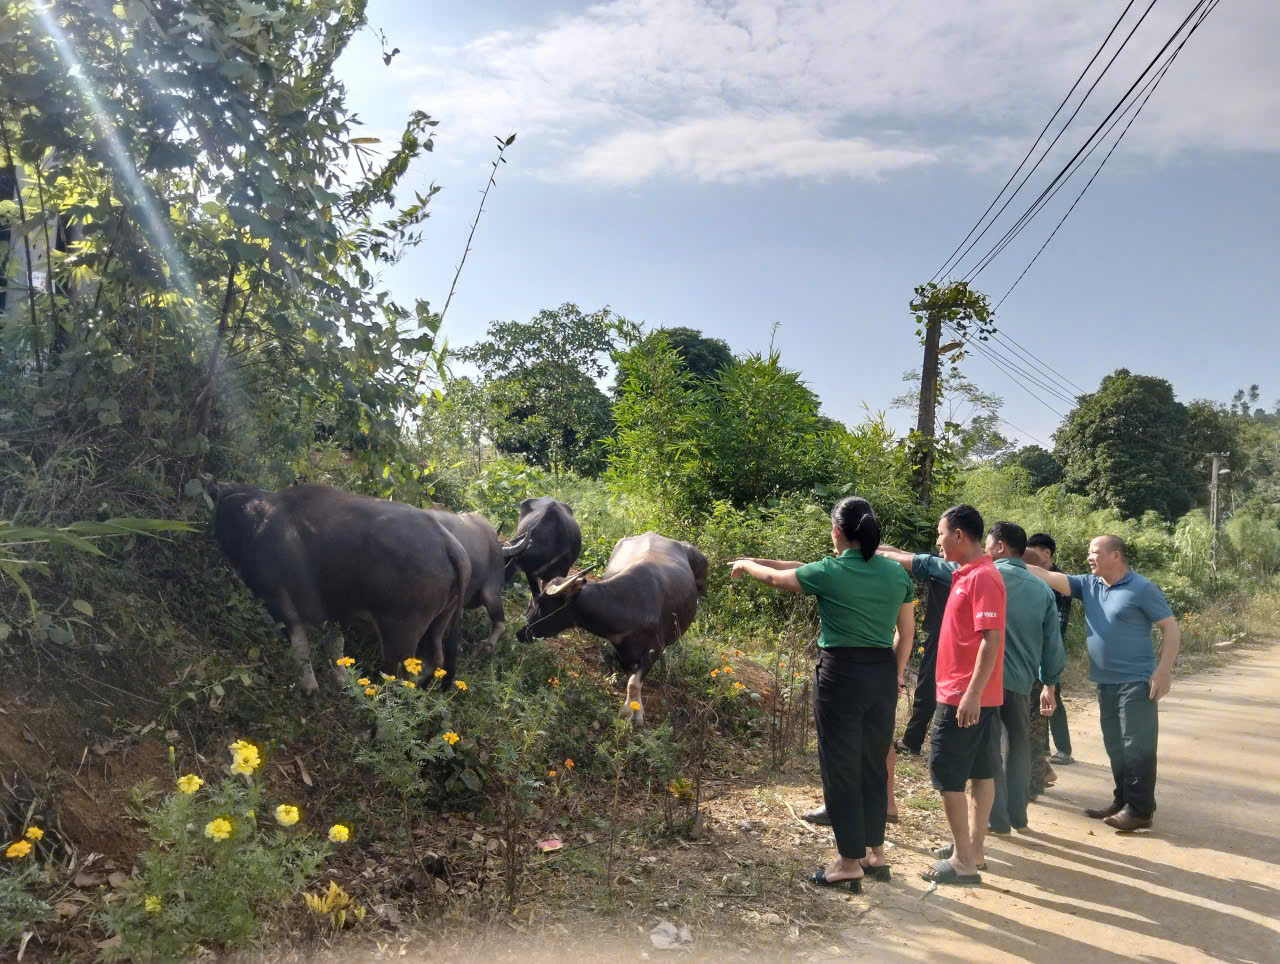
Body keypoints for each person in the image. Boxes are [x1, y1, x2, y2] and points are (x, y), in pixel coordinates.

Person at [730, 497, 914, 891]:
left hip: (841, 675)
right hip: (882, 672)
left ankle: (848, 862)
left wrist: (746, 565)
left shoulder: (831, 571)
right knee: (872, 763)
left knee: (841, 764)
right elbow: (907, 633)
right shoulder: (894, 573)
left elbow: (777, 580)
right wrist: (895, 676)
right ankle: (874, 853)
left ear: (836, 532)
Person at [1028, 535, 1181, 832]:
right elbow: (1046, 575)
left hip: (1136, 680)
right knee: (1115, 745)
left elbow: (1170, 628)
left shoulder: (1141, 588)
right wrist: (1004, 557)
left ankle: (1139, 810)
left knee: (1137, 746)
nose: (1089, 557)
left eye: (1095, 552)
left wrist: (1164, 670)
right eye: (1089, 552)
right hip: (1106, 682)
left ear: (1115, 555)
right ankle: (1124, 800)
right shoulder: (1089, 585)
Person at [918, 504, 1004, 886]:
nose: (937, 540)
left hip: (963, 697)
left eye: (941, 533)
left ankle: (964, 863)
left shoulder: (983, 577)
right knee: (981, 771)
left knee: (948, 776)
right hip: (977, 695)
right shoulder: (969, 573)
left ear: (958, 535)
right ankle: (971, 849)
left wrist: (971, 692)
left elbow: (992, 640)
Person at [982, 522, 1063, 834]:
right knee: (1018, 747)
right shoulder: (1041, 589)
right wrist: (1049, 684)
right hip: (1020, 684)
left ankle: (996, 819)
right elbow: (1052, 645)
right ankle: (1018, 815)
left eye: (988, 542)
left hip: (985, 682)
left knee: (989, 749)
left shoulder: (984, 577)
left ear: (1000, 546)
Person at [876, 544, 952, 757]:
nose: (938, 542)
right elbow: (903, 553)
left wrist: (861, 547)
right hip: (944, 635)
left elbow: (903, 558)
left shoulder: (944, 567)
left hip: (944, 637)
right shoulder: (947, 562)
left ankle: (913, 741)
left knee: (928, 688)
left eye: (941, 534)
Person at [1025, 532, 1074, 765]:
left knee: (1053, 695)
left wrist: (1049, 649)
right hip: (1030, 648)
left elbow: (1060, 622)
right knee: (1034, 699)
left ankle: (1063, 749)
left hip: (1049, 649)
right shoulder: (1030, 575)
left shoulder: (1059, 580)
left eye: (1034, 552)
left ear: (1047, 553)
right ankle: (1042, 748)